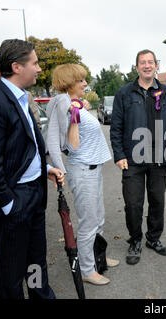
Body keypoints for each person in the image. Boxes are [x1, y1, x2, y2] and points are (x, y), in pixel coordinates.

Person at [0, 39, 65, 299]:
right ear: (16, 67)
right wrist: (9, 205)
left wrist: (45, 169)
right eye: (34, 63)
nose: (38, 69)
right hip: (14, 201)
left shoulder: (22, 98)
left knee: (36, 262)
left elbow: (23, 148)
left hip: (34, 194)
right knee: (10, 275)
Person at [46, 64, 118, 286]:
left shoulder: (74, 104)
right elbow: (64, 141)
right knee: (89, 222)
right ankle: (87, 269)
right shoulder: (61, 103)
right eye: (81, 81)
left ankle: (97, 256)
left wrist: (81, 108)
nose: (86, 84)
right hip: (82, 169)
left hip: (93, 168)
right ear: (69, 83)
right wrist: (58, 169)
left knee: (99, 217)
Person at [110, 49, 166, 265]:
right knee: (133, 204)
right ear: (137, 66)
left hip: (160, 159)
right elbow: (116, 127)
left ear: (156, 65)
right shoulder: (124, 93)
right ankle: (135, 240)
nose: (147, 66)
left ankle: (153, 239)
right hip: (132, 159)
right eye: (143, 62)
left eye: (151, 62)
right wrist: (119, 155)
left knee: (158, 201)